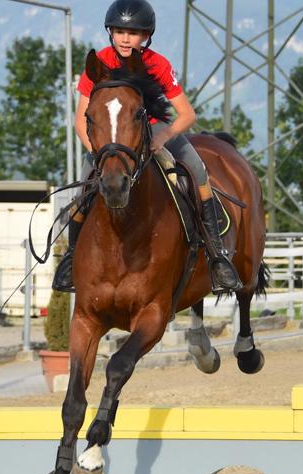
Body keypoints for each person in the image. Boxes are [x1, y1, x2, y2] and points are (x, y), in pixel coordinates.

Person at [51, 0, 242, 295]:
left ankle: (218, 258)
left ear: (147, 35)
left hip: (153, 129)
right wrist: (100, 153)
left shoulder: (158, 64)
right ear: (110, 33)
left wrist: (162, 139)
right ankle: (70, 259)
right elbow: (80, 121)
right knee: (83, 191)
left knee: (198, 172)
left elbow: (187, 115)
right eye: (119, 31)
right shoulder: (97, 64)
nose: (126, 38)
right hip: (109, 139)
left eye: (134, 32)